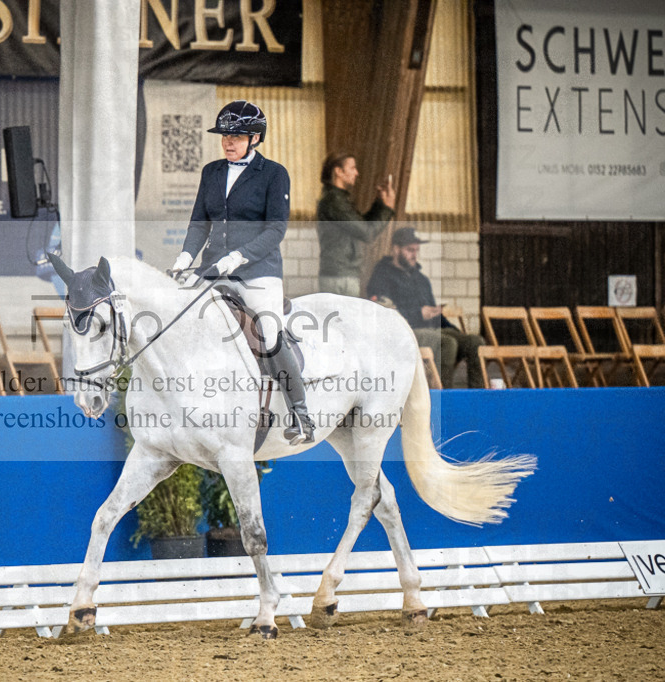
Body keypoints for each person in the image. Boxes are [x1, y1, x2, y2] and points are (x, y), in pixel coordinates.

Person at [170, 100, 314, 444]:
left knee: (268, 331)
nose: (228, 142)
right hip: (212, 269)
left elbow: (276, 229)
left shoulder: (274, 173)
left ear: (255, 138)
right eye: (224, 136)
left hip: (258, 270)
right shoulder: (212, 172)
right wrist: (184, 258)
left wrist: (237, 257)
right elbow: (199, 223)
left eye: (235, 137)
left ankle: (300, 414)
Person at [366, 227, 486, 389]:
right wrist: (418, 314)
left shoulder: (421, 279)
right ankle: (442, 396)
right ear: (396, 249)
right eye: (410, 250)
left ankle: (477, 395)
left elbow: (434, 314)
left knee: (475, 341)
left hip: (430, 330)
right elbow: (383, 315)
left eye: (416, 250)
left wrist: (454, 330)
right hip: (405, 333)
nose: (414, 255)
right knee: (448, 343)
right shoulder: (381, 276)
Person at [316, 152, 396, 297]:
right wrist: (387, 208)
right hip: (341, 277)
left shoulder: (337, 200)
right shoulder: (335, 202)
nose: (357, 173)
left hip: (340, 274)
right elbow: (367, 233)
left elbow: (361, 226)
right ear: (338, 171)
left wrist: (380, 205)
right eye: (352, 168)